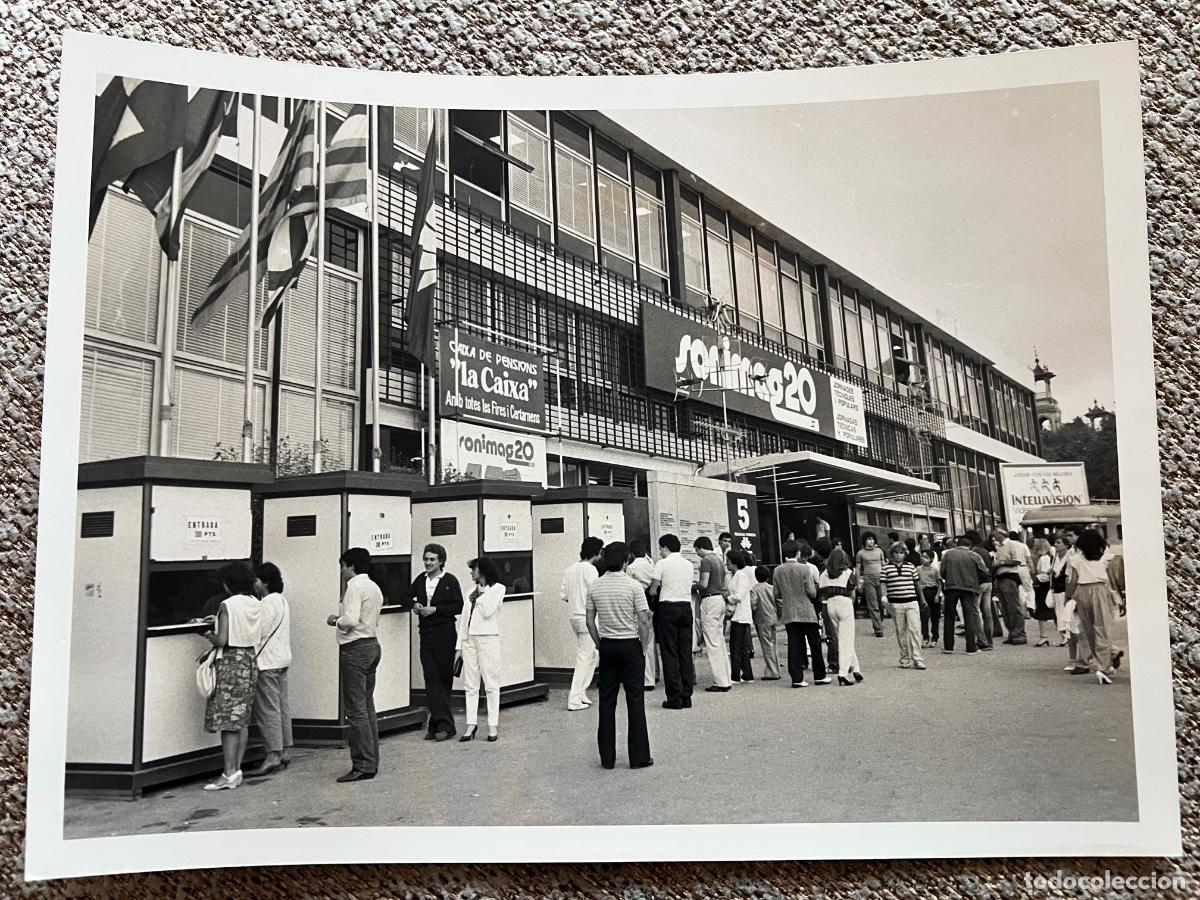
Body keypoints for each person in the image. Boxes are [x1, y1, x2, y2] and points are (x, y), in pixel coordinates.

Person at [586, 541, 653, 770]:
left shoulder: (595, 586)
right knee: (635, 701)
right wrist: (643, 647)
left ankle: (607, 758)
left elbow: (589, 621)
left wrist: (599, 644)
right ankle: (639, 756)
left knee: (606, 702)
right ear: (626, 561)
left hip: (608, 646)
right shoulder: (634, 587)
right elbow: (644, 620)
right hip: (630, 645)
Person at [201, 561, 263, 791]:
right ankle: (237, 769)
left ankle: (227, 773)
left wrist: (207, 631)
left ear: (228, 583)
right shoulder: (255, 603)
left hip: (230, 662)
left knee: (228, 722)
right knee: (242, 719)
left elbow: (222, 640)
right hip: (249, 659)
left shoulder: (227, 605)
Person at [329, 547, 383, 782]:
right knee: (367, 706)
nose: (342, 572)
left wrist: (335, 620)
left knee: (355, 710)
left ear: (351, 565)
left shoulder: (354, 587)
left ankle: (362, 764)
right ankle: (372, 761)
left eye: (343, 566)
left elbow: (349, 621)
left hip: (355, 648)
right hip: (372, 644)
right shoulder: (374, 587)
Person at [409, 543, 464, 741]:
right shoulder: (420, 580)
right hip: (426, 635)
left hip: (446, 634)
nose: (428, 563)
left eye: (432, 559)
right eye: (426, 559)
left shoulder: (449, 580)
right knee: (431, 678)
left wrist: (436, 609)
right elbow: (406, 596)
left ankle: (436, 724)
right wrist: (414, 604)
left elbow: (459, 605)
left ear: (441, 561)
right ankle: (446, 726)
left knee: (444, 679)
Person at [246, 562, 292, 778]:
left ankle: (273, 754)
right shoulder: (282, 600)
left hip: (267, 662)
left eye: (256, 580)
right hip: (282, 658)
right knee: (281, 706)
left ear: (264, 581)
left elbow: (258, 631)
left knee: (268, 710)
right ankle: (283, 751)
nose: (254, 585)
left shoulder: (265, 604)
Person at [458, 557, 505, 741]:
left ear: (483, 570)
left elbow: (488, 611)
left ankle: (492, 725)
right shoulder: (469, 592)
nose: (471, 573)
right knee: (470, 684)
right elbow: (464, 620)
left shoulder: (497, 589)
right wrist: (459, 646)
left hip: (488, 639)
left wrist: (480, 594)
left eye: (473, 569)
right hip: (469, 640)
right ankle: (471, 724)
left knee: (491, 683)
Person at [648, 534, 696, 710]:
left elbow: (653, 590)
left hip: (667, 609)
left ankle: (674, 697)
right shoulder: (688, 565)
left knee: (669, 653)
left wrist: (657, 590)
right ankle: (687, 696)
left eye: (661, 548)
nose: (660, 552)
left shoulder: (661, 564)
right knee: (685, 652)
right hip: (685, 608)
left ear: (666, 547)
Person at [1066, 529, 1118, 684]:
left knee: (1089, 631)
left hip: (1082, 592)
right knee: (1103, 630)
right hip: (1100, 590)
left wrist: (1069, 599)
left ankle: (1103, 665)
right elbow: (1111, 580)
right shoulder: (1106, 558)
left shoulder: (1075, 559)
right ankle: (1103, 667)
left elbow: (1072, 581)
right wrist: (1118, 598)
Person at [774, 540, 828, 687]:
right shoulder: (804, 569)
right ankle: (819, 676)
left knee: (794, 646)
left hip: (789, 612)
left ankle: (797, 678)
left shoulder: (777, 570)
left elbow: (776, 593)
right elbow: (811, 592)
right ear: (798, 553)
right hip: (806, 611)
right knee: (815, 644)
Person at [561, 537, 604, 711]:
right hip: (588, 619)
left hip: (574, 616)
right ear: (596, 552)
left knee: (592, 655)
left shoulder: (570, 569)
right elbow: (597, 593)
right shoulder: (591, 570)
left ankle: (581, 693)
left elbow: (564, 596)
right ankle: (574, 699)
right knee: (585, 657)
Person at [694, 536, 734, 692]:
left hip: (709, 600)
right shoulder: (718, 559)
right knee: (720, 641)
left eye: (697, 550)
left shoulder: (706, 561)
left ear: (700, 547)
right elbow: (725, 584)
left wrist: (692, 586)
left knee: (712, 643)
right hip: (719, 600)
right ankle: (727, 677)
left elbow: (703, 584)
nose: (697, 553)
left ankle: (721, 682)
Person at [939, 535, 989, 654]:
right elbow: (984, 572)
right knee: (969, 617)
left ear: (957, 544)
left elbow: (942, 572)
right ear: (970, 546)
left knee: (949, 617)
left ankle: (948, 647)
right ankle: (971, 647)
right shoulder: (974, 555)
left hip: (951, 587)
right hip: (969, 588)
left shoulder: (948, 554)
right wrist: (975, 580)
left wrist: (950, 578)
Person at [819, 547, 861, 685]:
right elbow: (853, 593)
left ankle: (856, 668)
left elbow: (821, 593)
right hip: (844, 603)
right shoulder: (848, 573)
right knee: (846, 640)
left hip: (830, 605)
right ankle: (843, 673)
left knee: (842, 638)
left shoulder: (824, 573)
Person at [883, 543, 925, 670]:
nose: (898, 555)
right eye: (896, 552)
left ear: (905, 554)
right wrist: (884, 596)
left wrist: (922, 600)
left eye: (901, 553)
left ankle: (917, 658)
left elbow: (917, 584)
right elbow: (883, 584)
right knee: (901, 632)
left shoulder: (911, 567)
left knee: (915, 630)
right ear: (892, 554)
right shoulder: (886, 568)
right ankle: (905, 658)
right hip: (896, 603)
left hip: (912, 602)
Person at [626, 539, 659, 691]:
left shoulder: (631, 568)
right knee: (651, 641)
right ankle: (655, 674)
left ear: (631, 553)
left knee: (642, 643)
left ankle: (647, 680)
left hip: (639, 605)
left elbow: (629, 589)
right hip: (652, 605)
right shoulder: (652, 565)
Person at [991, 529, 1029, 645]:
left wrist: (1001, 563)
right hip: (1001, 576)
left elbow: (1017, 560)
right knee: (1005, 608)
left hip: (1009, 576)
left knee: (1013, 606)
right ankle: (1012, 633)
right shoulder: (1000, 547)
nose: (993, 534)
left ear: (1002, 533)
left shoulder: (1011, 544)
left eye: (996, 532)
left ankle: (1019, 634)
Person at [726, 550, 756, 683]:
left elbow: (738, 596)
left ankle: (735, 675)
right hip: (739, 614)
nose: (727, 564)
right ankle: (747, 674)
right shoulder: (736, 575)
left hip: (740, 614)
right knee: (742, 646)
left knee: (736, 646)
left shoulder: (741, 576)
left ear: (734, 563)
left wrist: (726, 597)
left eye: (728, 562)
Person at [811, 537, 839, 674]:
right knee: (842, 632)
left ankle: (833, 663)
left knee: (831, 634)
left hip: (827, 602)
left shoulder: (824, 569)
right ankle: (846, 661)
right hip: (841, 601)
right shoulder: (838, 564)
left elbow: (820, 589)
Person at [967, 531, 998, 649]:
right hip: (988, 582)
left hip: (978, 584)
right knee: (987, 613)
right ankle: (990, 641)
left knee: (975, 612)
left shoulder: (973, 552)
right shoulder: (985, 551)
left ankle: (982, 640)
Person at [749, 564, 781, 680]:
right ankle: (775, 669)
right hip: (773, 617)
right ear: (768, 577)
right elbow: (779, 602)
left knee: (766, 645)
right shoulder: (772, 588)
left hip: (762, 619)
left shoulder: (754, 589)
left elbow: (753, 604)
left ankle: (772, 671)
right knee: (773, 643)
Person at [855, 532, 886, 637]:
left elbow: (884, 565)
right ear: (865, 541)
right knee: (873, 605)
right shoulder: (860, 553)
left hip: (881, 579)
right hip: (869, 581)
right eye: (869, 539)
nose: (871, 541)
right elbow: (858, 569)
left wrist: (887, 579)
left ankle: (879, 622)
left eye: (873, 539)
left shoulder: (879, 551)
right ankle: (878, 629)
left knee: (882, 604)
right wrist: (858, 583)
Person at [1049, 533, 1074, 650]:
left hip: (1065, 589)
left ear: (1066, 545)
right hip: (1056, 588)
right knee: (1058, 613)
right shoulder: (1055, 556)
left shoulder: (1069, 556)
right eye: (1055, 542)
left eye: (1059, 543)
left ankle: (1068, 636)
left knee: (1066, 613)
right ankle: (1064, 636)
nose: (1055, 545)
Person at [1029, 537, 1056, 646]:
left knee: (1041, 613)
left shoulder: (1043, 558)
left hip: (1044, 587)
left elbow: (1045, 574)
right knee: (1054, 613)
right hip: (1050, 587)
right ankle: (1064, 636)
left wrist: (1036, 578)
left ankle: (1043, 636)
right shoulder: (1050, 557)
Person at [917, 550, 942, 648]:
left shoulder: (935, 569)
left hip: (933, 591)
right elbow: (916, 582)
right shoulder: (918, 569)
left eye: (926, 557)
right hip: (923, 592)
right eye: (922, 557)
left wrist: (937, 595)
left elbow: (939, 583)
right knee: (924, 617)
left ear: (931, 559)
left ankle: (935, 637)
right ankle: (925, 637)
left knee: (935, 617)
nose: (923, 559)